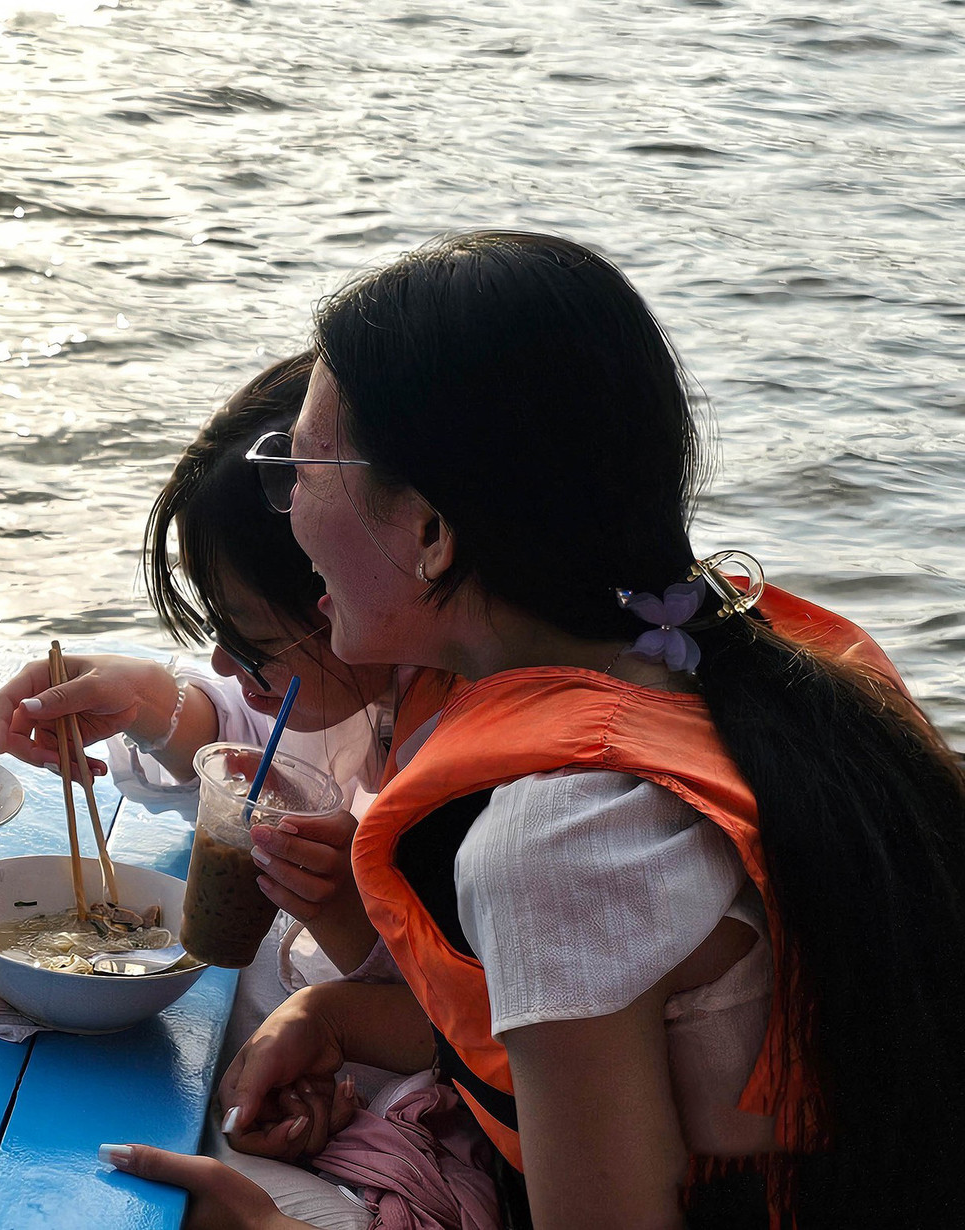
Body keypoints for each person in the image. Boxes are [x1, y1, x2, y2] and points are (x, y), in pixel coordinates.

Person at [112, 231, 965, 1227]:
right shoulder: (733, 669)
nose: (288, 511)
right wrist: (336, 1013)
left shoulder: (559, 839)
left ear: (431, 532)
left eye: (298, 468)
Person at [0, 353, 440, 1227]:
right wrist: (151, 703)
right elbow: (257, 740)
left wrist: (345, 942)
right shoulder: (378, 683)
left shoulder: (475, 773)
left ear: (352, 585)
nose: (223, 663)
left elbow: (481, 1030)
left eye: (249, 638)